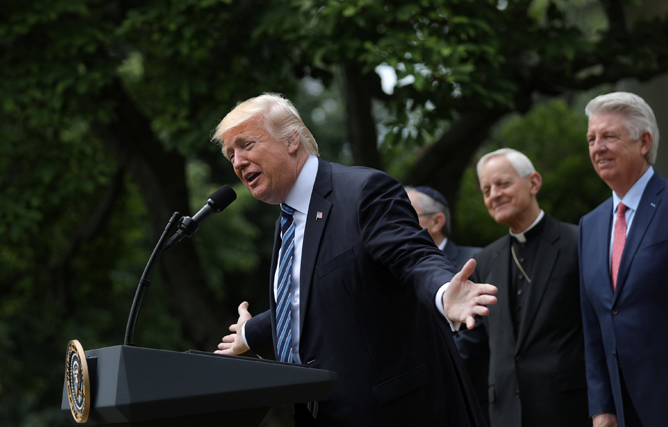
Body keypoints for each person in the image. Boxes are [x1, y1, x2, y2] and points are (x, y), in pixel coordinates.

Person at [210, 93, 497, 427]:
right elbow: (315, 301)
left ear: (291, 140)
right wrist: (249, 334)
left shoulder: (362, 191)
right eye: (231, 153)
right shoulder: (287, 223)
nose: (238, 161)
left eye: (247, 144)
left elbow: (412, 255)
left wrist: (445, 290)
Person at [579, 92, 668, 427]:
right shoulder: (589, 224)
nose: (598, 147)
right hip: (623, 409)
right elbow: (594, 323)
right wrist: (602, 406)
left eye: (609, 136)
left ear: (644, 142)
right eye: (592, 139)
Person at [458, 148, 589, 426]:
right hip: (506, 413)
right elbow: (474, 344)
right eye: (486, 190)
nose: (494, 194)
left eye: (503, 184)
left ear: (534, 183)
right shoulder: (483, 261)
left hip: (569, 408)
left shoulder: (578, 242)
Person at [404, 186, 489, 424]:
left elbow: (475, 337)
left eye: (406, 215)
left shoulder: (475, 261)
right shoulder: (397, 273)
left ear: (437, 221)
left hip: (468, 401)